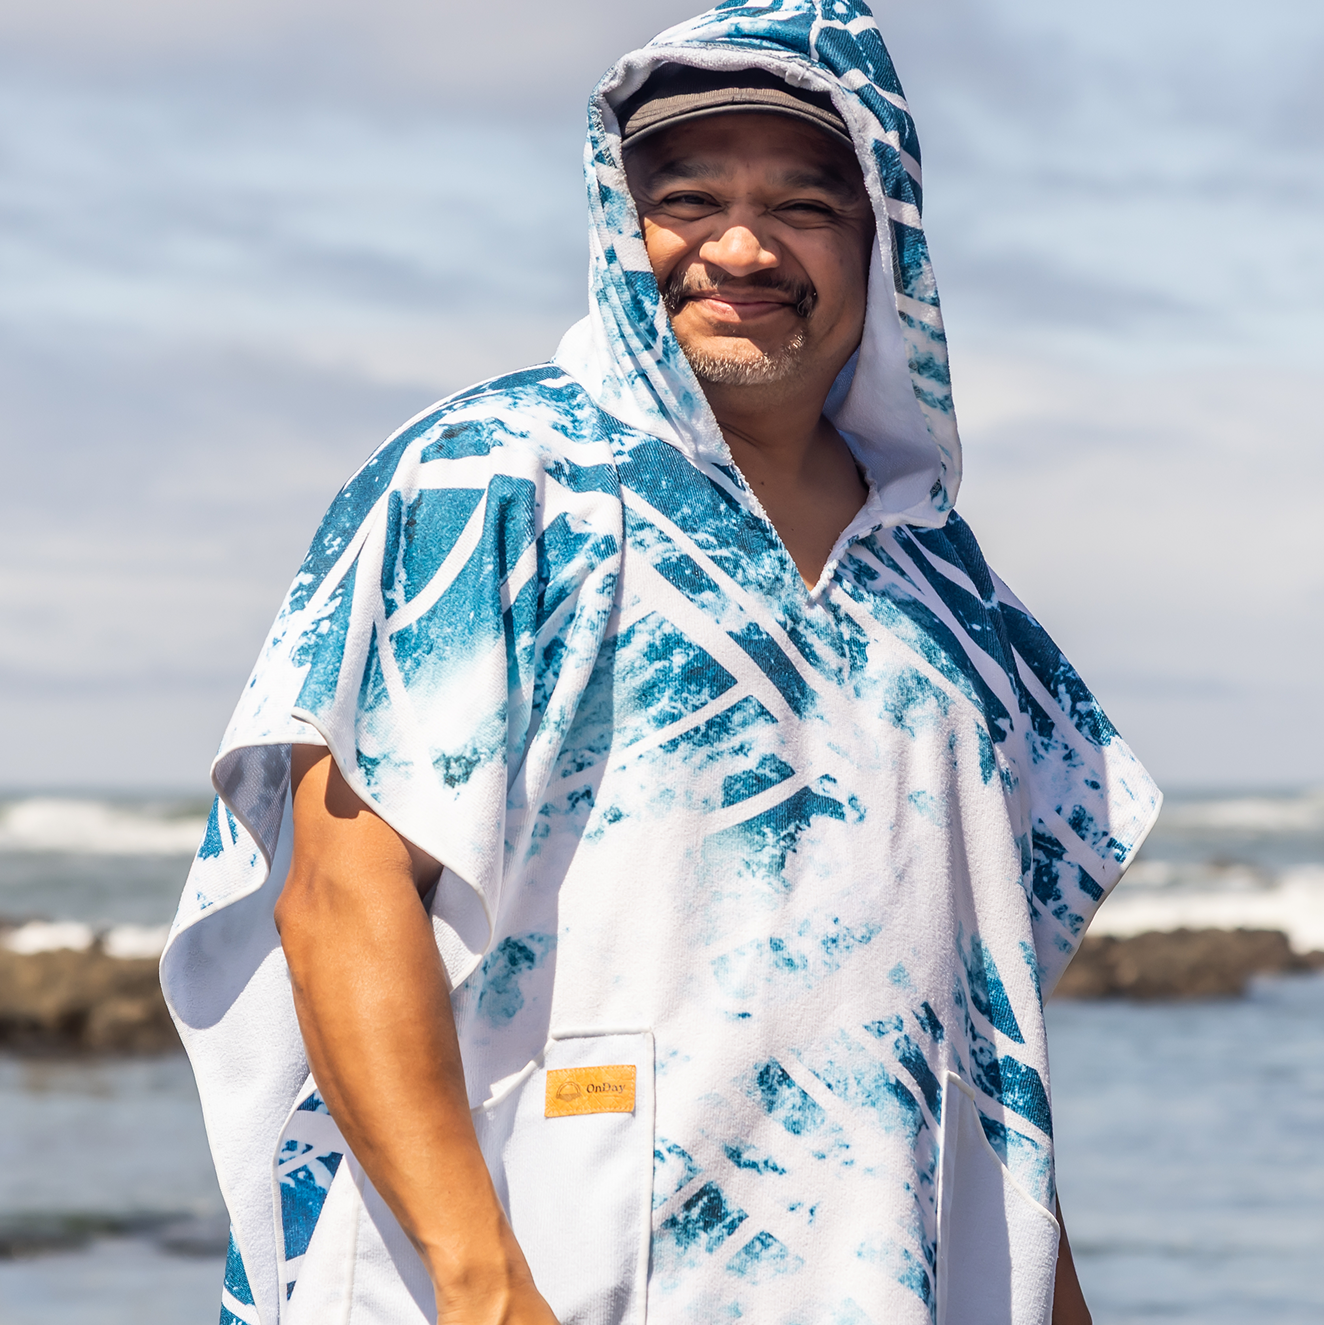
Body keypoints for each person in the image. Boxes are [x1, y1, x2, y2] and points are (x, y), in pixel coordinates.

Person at [163, 3, 1160, 1323]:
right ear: (617, 222)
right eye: (688, 196)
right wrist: (482, 1288)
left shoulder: (951, 595)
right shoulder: (497, 483)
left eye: (804, 204)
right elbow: (343, 896)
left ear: (886, 241)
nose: (741, 246)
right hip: (528, 1274)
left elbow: (977, 1049)